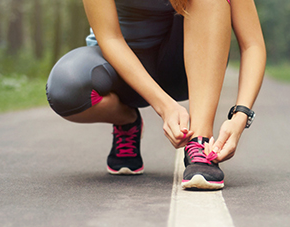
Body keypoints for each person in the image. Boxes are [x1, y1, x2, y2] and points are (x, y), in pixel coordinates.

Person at [46, 0, 266, 190]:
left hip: (182, 71)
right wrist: (165, 107)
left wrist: (240, 115)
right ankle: (127, 120)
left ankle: (200, 142)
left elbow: (252, 44)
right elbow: (110, 38)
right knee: (65, 89)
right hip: (123, 73)